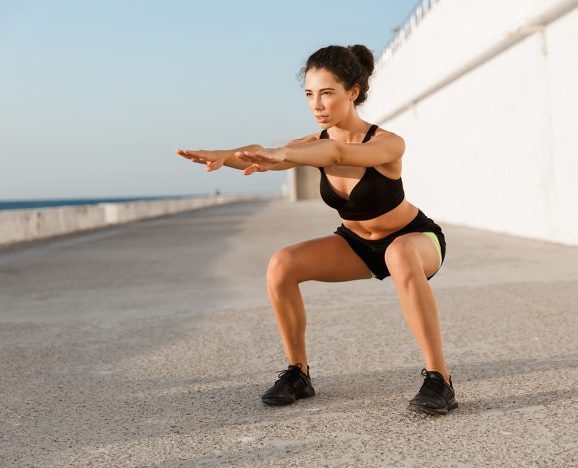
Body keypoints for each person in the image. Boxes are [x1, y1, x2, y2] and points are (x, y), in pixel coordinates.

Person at [175, 44, 458, 416]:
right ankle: (298, 374)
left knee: (399, 253)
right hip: (358, 244)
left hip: (415, 241)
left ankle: (440, 379)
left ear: (352, 92)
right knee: (282, 264)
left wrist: (284, 155)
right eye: (309, 94)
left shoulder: (387, 143)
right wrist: (225, 156)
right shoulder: (312, 144)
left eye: (327, 93)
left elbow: (338, 155)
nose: (317, 104)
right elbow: (266, 152)